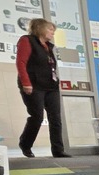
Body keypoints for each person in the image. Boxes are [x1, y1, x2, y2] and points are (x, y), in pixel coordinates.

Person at [16, 18, 68, 158]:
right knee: (37, 116)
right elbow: (21, 63)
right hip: (34, 85)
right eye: (50, 29)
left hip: (51, 86)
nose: (52, 33)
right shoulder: (27, 40)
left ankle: (58, 150)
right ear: (40, 28)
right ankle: (25, 144)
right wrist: (26, 83)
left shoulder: (49, 47)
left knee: (55, 118)